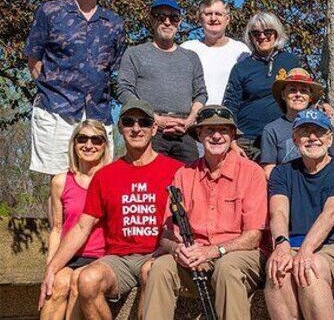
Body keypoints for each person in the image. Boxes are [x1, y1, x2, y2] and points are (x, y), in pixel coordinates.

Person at [39, 99, 183, 318]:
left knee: (150, 272)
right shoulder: (106, 176)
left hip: (157, 254)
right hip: (118, 260)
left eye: (144, 122)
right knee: (87, 280)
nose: (136, 128)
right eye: (128, 122)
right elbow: (81, 227)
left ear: (154, 129)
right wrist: (52, 268)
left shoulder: (176, 171)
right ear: (120, 128)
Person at [144, 105, 267, 320]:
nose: (216, 136)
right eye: (209, 130)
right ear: (199, 135)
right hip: (195, 256)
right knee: (161, 267)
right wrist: (178, 249)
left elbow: (253, 236)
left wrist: (212, 252)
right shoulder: (183, 174)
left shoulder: (251, 172)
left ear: (232, 136)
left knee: (227, 269)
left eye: (223, 130)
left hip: (239, 255)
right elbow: (167, 235)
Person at [26, 0, 124, 175]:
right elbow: (33, 58)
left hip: (98, 113)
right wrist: (50, 90)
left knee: (99, 183)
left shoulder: (114, 22)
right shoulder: (50, 12)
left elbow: (115, 69)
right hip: (55, 110)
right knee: (59, 184)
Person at [265, 108, 334, 320]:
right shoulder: (282, 172)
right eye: (305, 132)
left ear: (330, 138)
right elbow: (278, 211)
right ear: (295, 139)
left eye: (319, 132)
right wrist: (281, 244)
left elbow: (333, 211)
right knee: (277, 268)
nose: (312, 138)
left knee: (310, 268)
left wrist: (306, 250)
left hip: (332, 248)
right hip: (292, 245)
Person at [117, 0, 207, 164]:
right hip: (150, 129)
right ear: (152, 19)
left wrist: (190, 121)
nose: (167, 22)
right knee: (150, 183)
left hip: (184, 132)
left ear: (179, 22)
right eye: (161, 16)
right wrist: (153, 118)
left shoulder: (191, 57)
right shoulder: (135, 54)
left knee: (190, 183)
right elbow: (123, 89)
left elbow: (201, 94)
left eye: (173, 17)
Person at [41, 120, 111, 319]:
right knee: (56, 286)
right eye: (82, 139)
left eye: (96, 140)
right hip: (69, 255)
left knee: (78, 284)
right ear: (74, 143)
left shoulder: (111, 178)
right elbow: (56, 228)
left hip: (101, 257)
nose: (89, 145)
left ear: (105, 146)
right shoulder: (60, 182)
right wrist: (50, 267)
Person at [223, 11, 304, 160]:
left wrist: (322, 105)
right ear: (251, 37)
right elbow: (230, 106)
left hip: (283, 136)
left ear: (276, 33)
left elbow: (305, 92)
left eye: (268, 31)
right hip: (248, 140)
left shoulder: (290, 61)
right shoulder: (241, 68)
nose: (262, 36)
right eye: (256, 33)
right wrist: (232, 142)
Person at [260, 68, 334, 177]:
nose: (298, 94)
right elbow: (269, 170)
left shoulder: (324, 125)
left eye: (304, 91)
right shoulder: (272, 130)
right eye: (292, 90)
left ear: (310, 97)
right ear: (284, 95)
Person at [182, 0, 250, 105]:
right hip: (196, 119)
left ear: (227, 19)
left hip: (230, 118)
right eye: (208, 14)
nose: (213, 18)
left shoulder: (241, 50)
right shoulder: (188, 49)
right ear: (200, 19)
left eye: (218, 14)